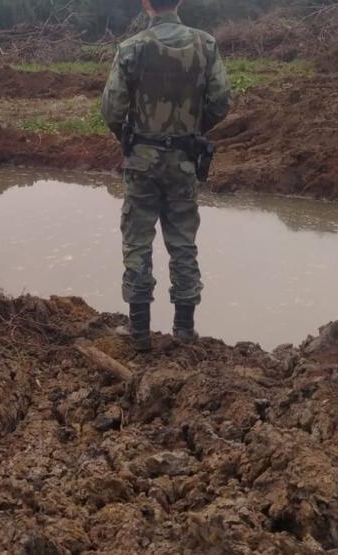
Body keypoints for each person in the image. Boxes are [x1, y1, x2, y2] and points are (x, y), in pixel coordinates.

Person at [101, 0, 232, 352]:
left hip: (142, 159)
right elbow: (221, 101)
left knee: (137, 242)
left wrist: (132, 136)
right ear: (180, 2)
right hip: (184, 160)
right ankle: (185, 332)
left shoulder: (132, 48)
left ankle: (139, 332)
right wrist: (193, 129)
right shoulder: (206, 45)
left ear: (146, 3)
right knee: (183, 243)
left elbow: (111, 109)